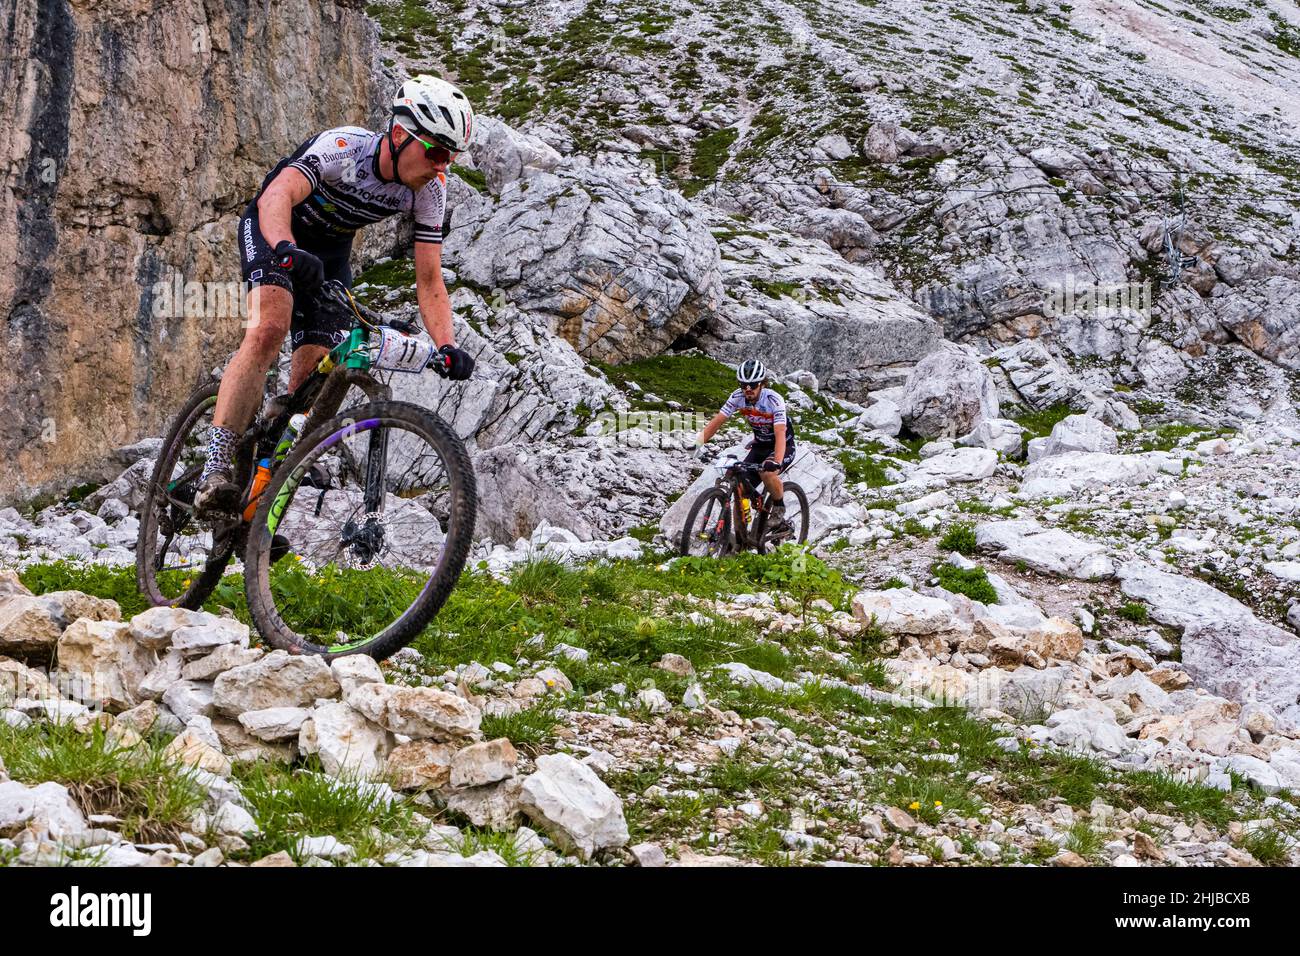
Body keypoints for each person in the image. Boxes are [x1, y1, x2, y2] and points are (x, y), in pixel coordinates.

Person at [194, 74, 477, 516]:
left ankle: (259, 505)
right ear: (401, 135)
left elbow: (430, 279)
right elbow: (278, 194)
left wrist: (446, 346)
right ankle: (214, 468)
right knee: (269, 328)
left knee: (315, 384)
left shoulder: (430, 192)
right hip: (277, 229)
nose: (443, 166)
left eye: (452, 156)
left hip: (329, 256)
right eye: (437, 152)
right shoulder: (345, 148)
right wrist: (286, 247)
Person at [693, 359, 797, 524]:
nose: (748, 389)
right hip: (759, 446)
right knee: (740, 486)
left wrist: (776, 462)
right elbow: (717, 421)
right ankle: (740, 536)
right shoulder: (737, 397)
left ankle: (779, 506)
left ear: (762, 384)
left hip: (782, 445)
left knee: (767, 473)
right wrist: (698, 443)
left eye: (753, 385)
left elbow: (780, 432)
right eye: (744, 385)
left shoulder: (773, 400)